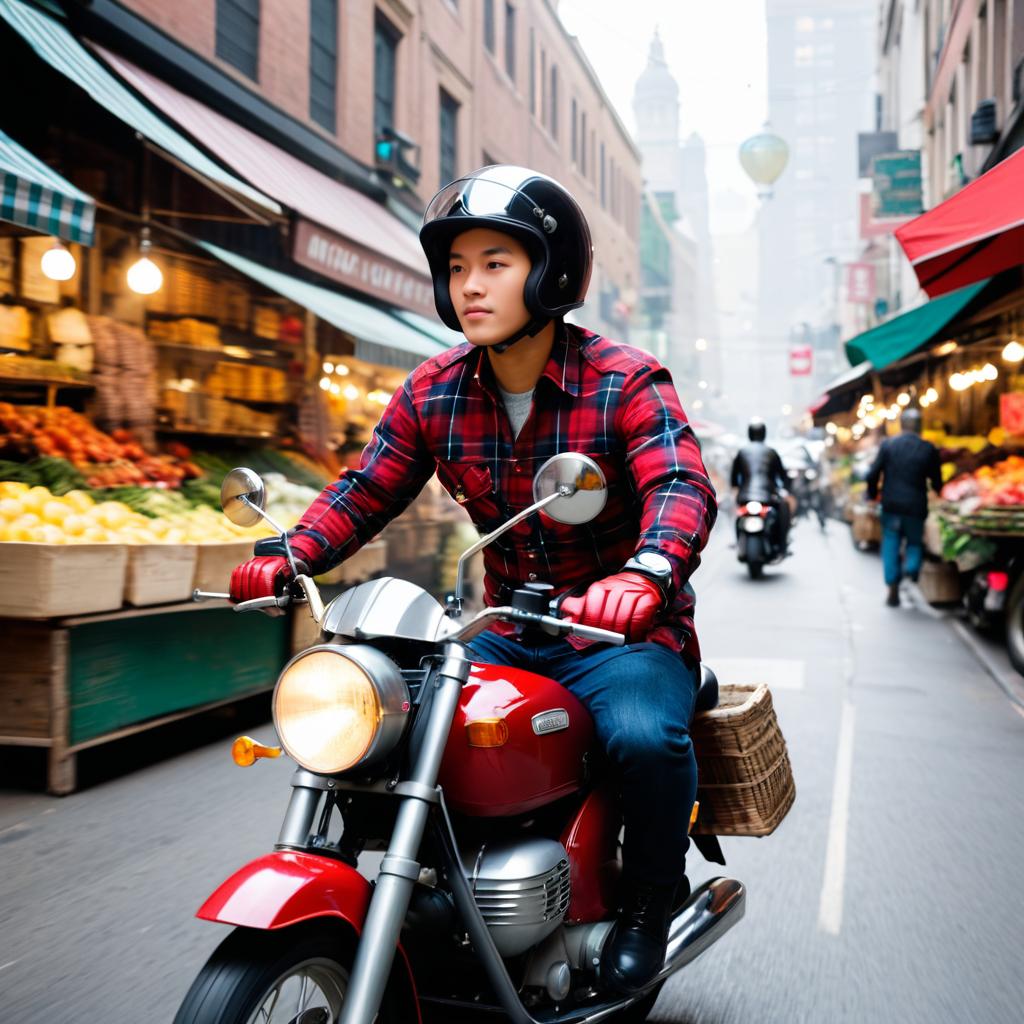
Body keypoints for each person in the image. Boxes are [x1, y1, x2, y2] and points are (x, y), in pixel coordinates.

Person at [229, 165, 717, 995]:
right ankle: (420, 892)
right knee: (386, 723)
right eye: (456, 267)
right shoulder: (435, 388)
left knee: (645, 737)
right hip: (503, 631)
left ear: (550, 272)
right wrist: (293, 554)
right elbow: (367, 487)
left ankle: (645, 904)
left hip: (617, 634)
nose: (470, 286)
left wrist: (646, 572)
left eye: (496, 262)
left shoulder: (624, 379)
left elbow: (680, 483)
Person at [866, 406, 943, 607]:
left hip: (891, 505)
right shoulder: (928, 448)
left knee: (890, 542)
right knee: (914, 543)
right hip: (916, 507)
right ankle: (912, 568)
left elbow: (873, 473)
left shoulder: (888, 445)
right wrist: (938, 490)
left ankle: (892, 585)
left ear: (901, 424)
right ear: (920, 426)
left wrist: (872, 494)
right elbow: (937, 479)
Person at [730, 417, 791, 551]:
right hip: (768, 496)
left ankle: (737, 542)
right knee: (784, 511)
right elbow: (782, 475)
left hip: (745, 496)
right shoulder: (772, 452)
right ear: (764, 433)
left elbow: (734, 477)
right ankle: (782, 544)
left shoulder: (741, 452)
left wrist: (736, 490)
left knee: (737, 515)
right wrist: (785, 490)